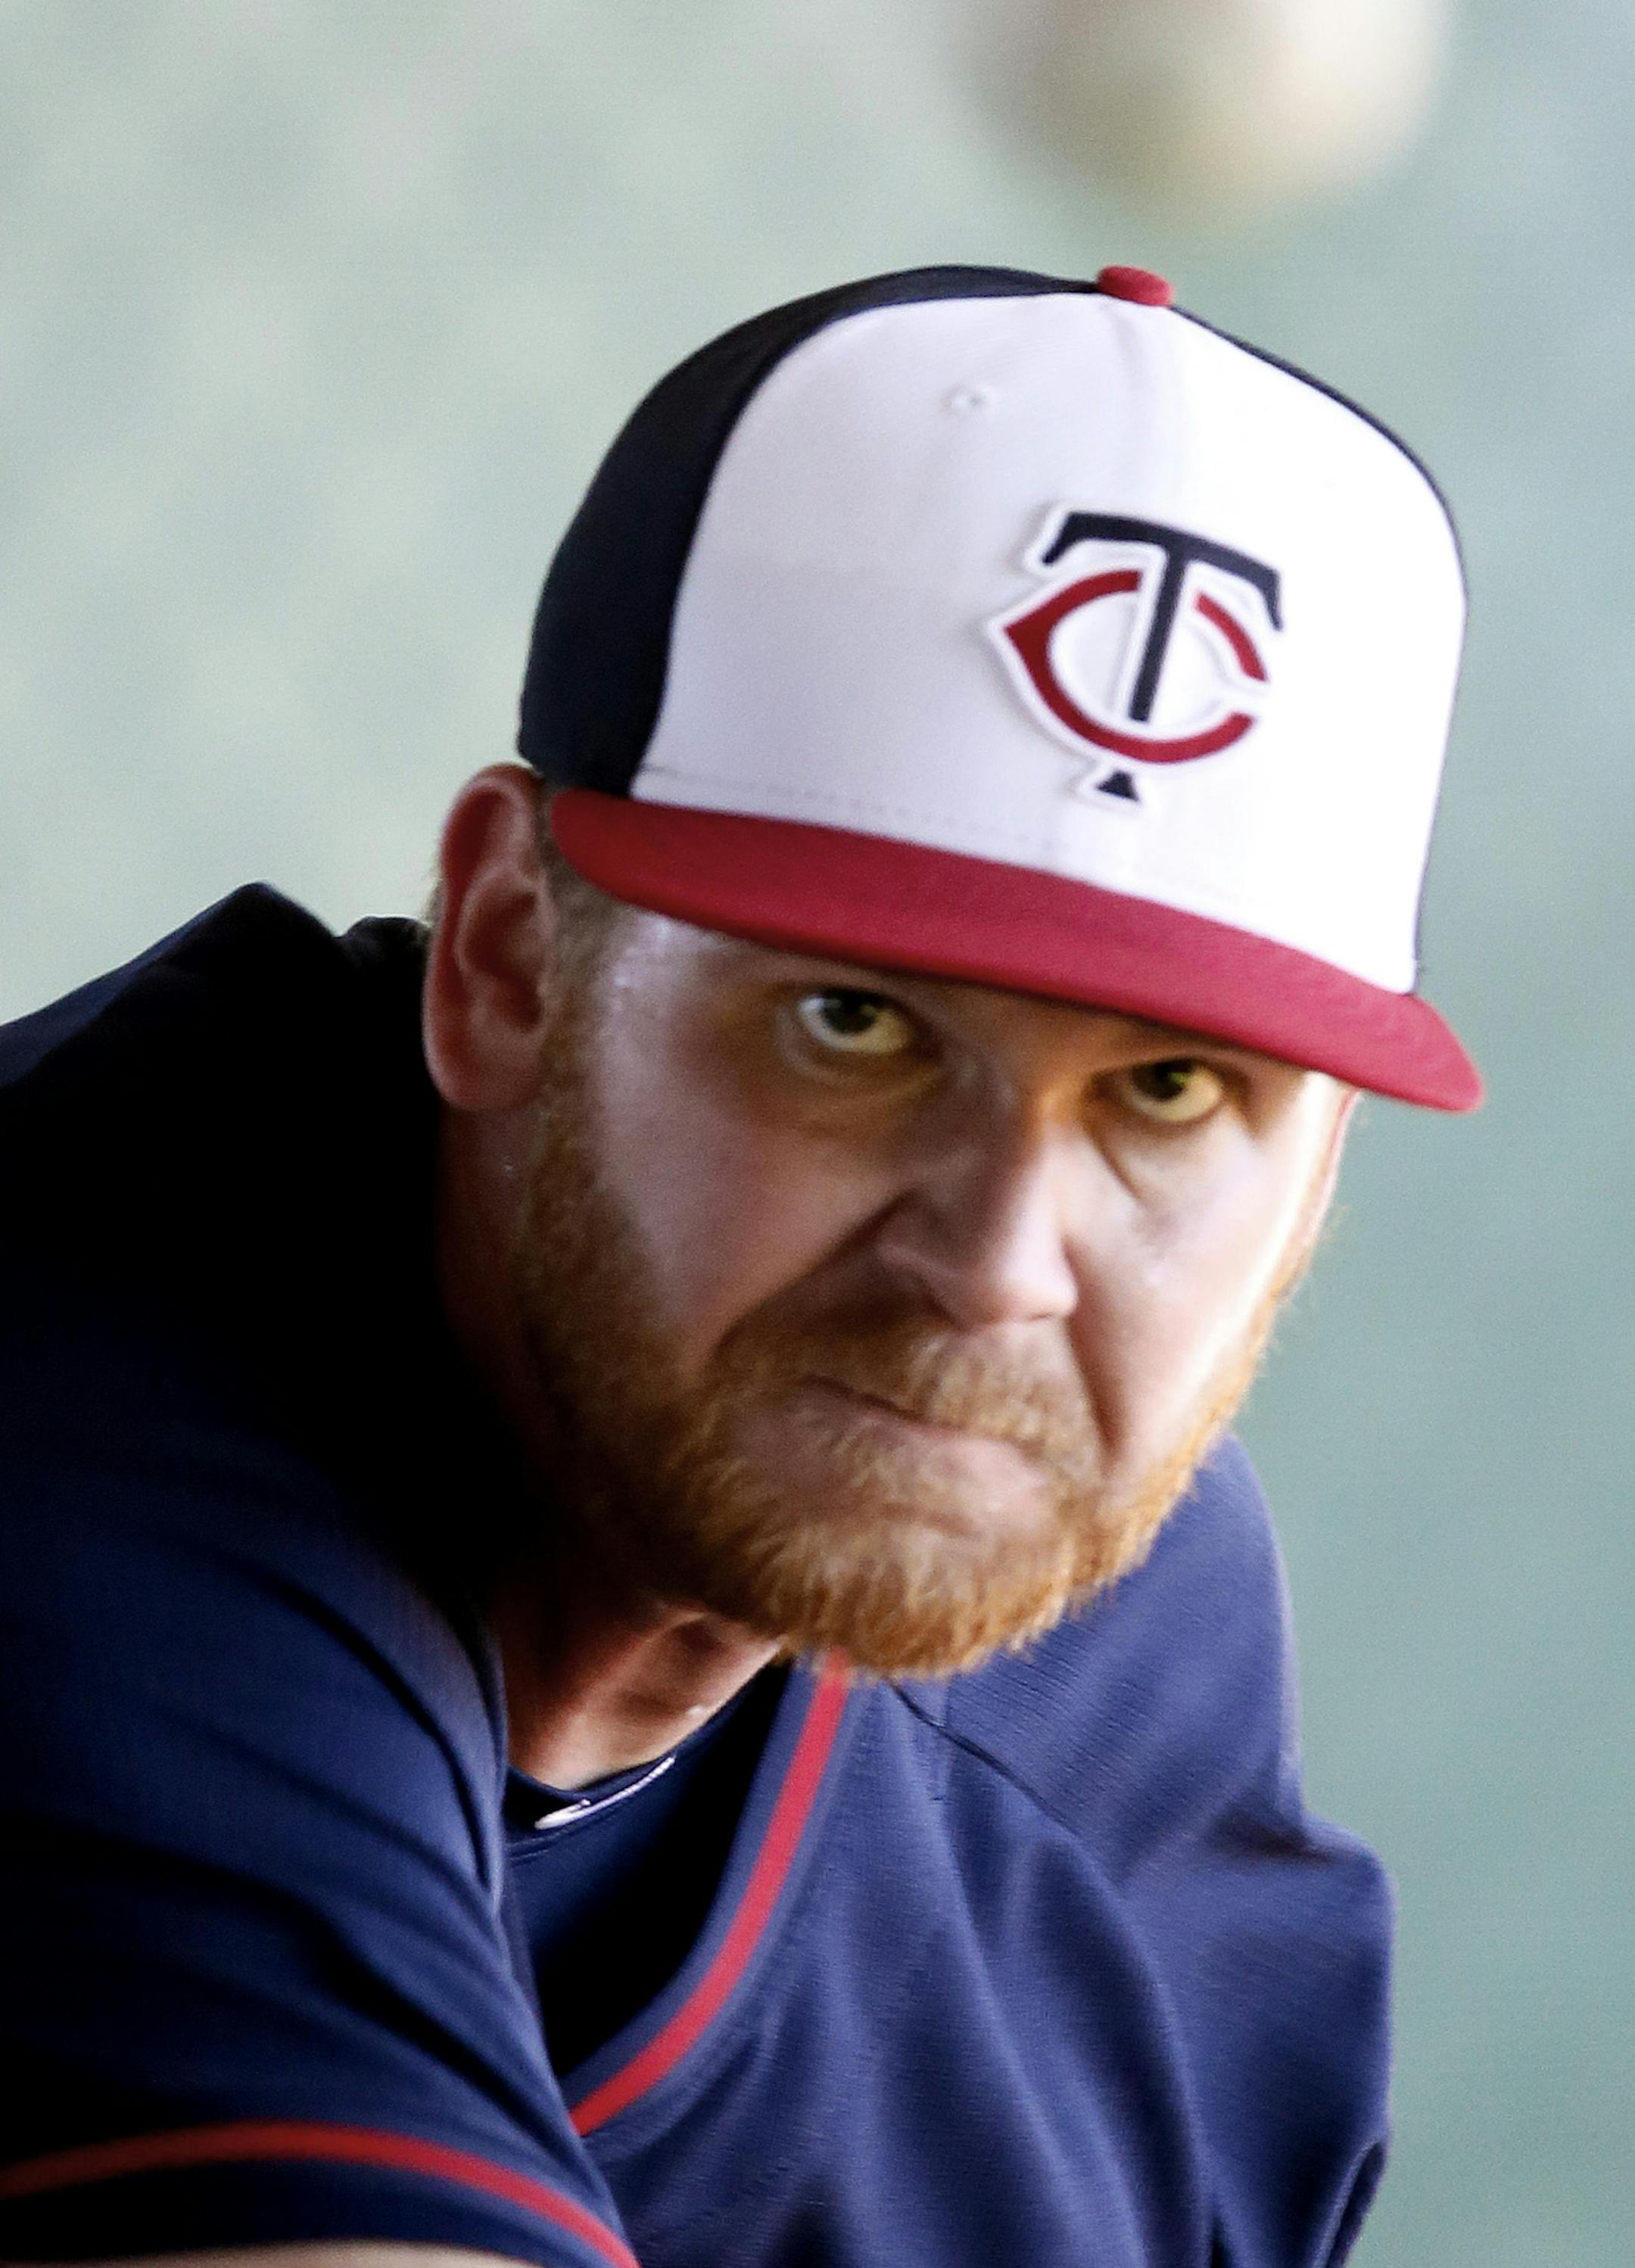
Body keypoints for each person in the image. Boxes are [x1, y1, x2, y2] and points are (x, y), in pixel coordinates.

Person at [0, 263, 1479, 2268]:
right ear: (508, 955)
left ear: (1314, 1182)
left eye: (1168, 1086)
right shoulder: (80, 1383)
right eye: (856, 1027)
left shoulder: (1138, 1673)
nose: (995, 1268)